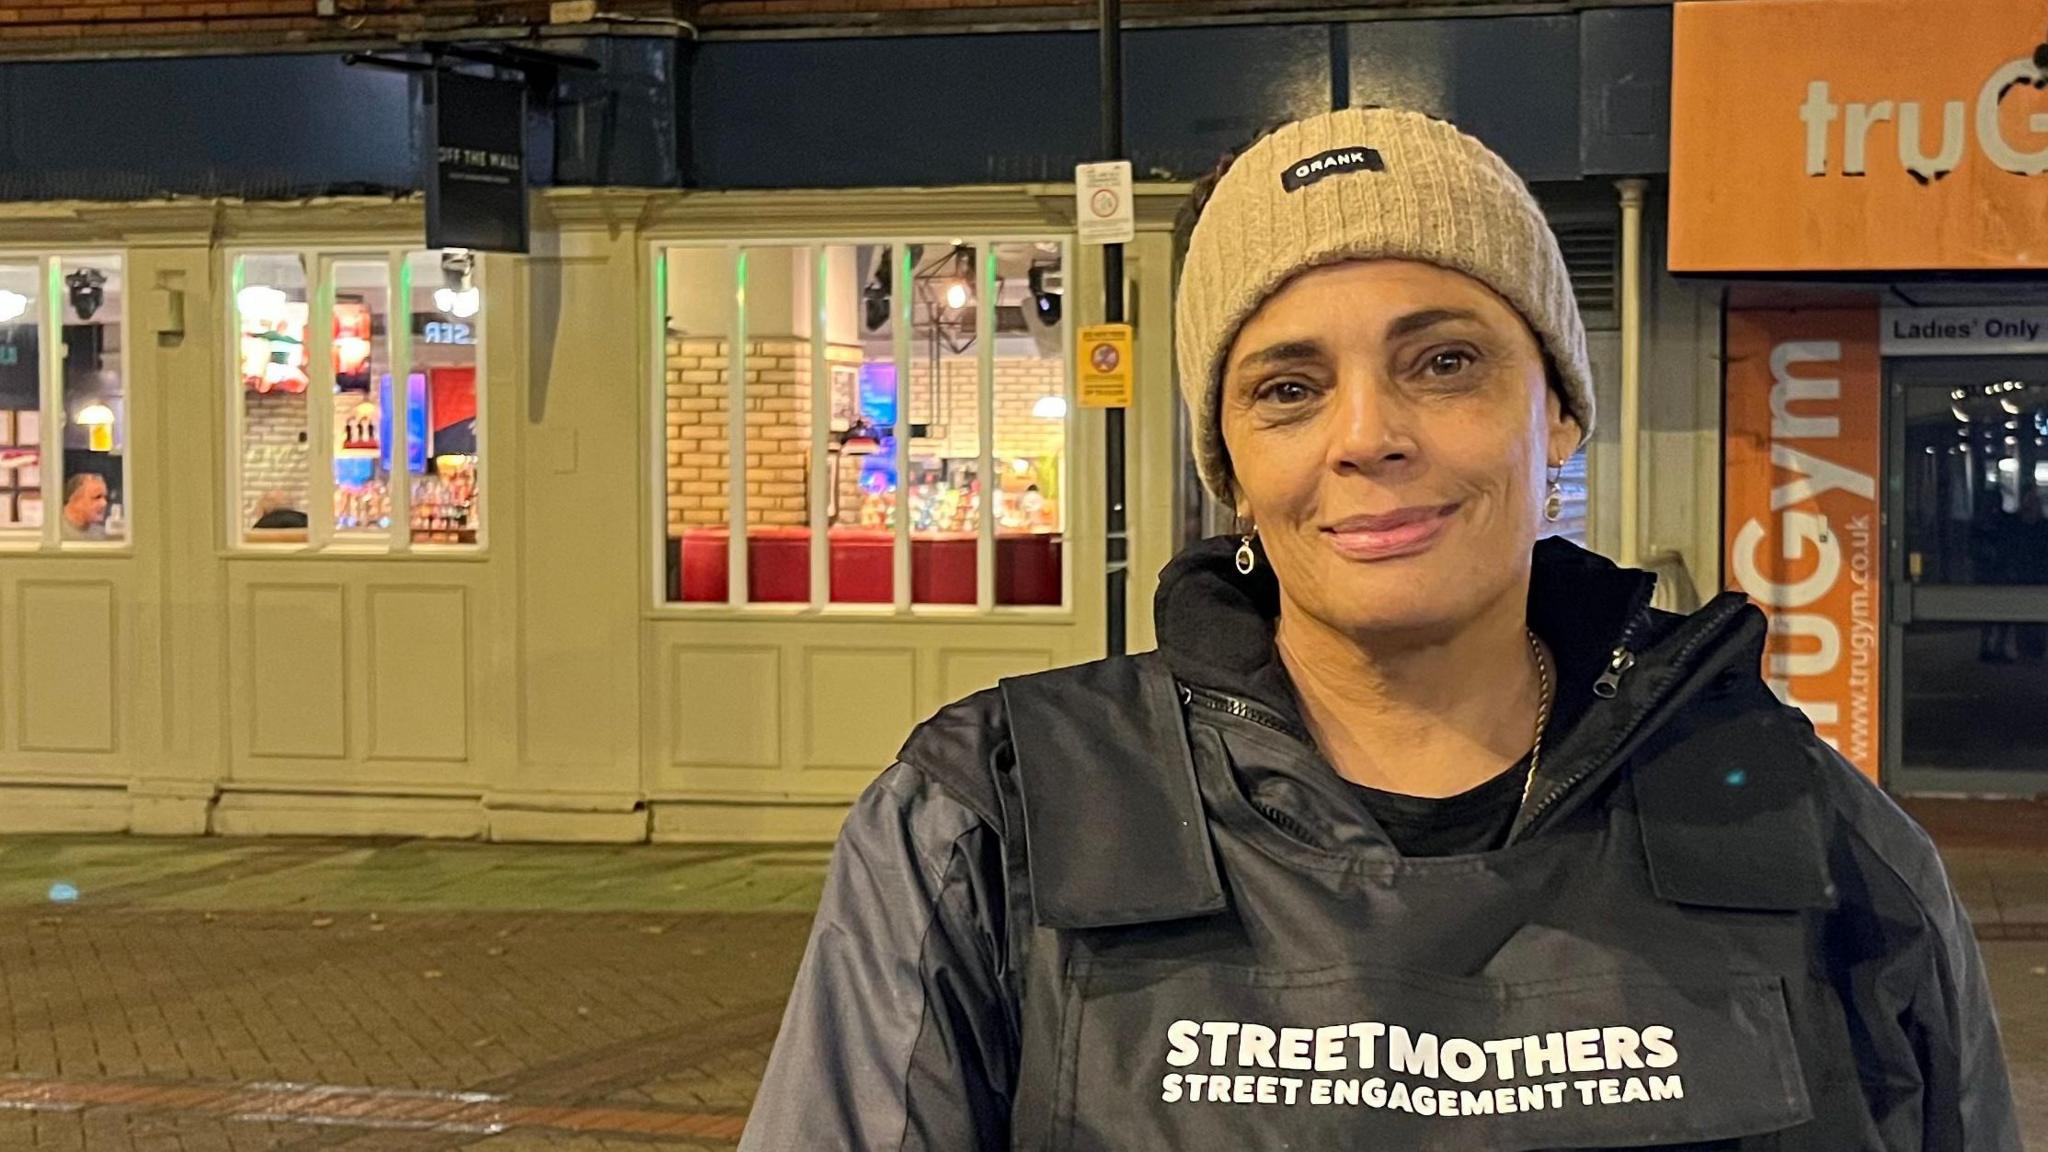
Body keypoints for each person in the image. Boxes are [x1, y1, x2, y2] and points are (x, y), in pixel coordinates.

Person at [741, 109, 2019, 1150]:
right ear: (1232, 468)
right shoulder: (988, 824)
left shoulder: (1805, 831)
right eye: (1287, 388)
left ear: (1558, 414)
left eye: (1445, 362)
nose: (1365, 436)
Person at [59, 472, 108, 541]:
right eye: (97, 497)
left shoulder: (100, 534)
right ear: (75, 500)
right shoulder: (53, 531)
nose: (104, 503)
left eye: (105, 497)